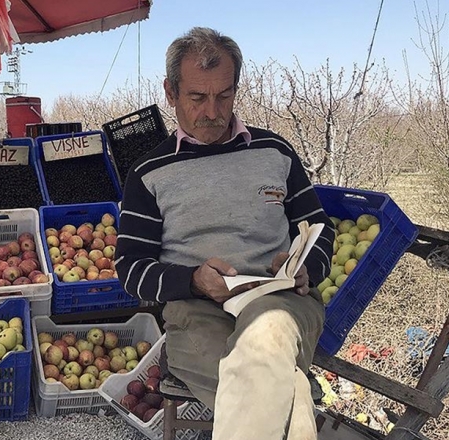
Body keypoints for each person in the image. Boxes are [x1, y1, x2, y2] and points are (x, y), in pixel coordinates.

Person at [115, 27, 336, 439]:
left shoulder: (275, 152)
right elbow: (131, 269)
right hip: (196, 313)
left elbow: (320, 229)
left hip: (281, 302)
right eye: (197, 98)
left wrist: (306, 266)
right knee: (273, 391)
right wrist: (193, 280)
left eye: (224, 95)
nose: (212, 111)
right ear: (170, 93)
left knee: (266, 337)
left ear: (236, 89)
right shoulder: (148, 173)